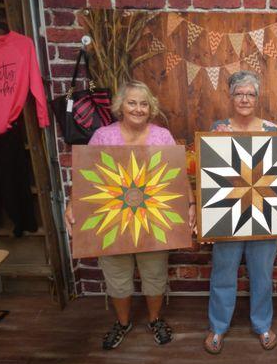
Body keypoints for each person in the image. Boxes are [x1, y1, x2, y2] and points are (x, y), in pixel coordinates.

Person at [64, 80, 196, 350]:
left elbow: (178, 177)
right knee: (117, 276)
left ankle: (155, 319)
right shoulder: (103, 136)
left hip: (154, 218)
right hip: (111, 218)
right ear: (121, 106)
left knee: (155, 273)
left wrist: (191, 205)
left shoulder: (162, 137)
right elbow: (87, 175)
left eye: (144, 104)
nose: (138, 108)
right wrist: (71, 202)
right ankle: (122, 322)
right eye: (132, 102)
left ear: (151, 108)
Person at [204, 71, 277, 354]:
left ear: (257, 98)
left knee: (262, 273)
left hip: (264, 210)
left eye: (250, 94)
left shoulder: (273, 129)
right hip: (228, 210)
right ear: (231, 97)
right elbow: (209, 172)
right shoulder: (217, 128)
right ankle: (218, 326)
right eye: (239, 93)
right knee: (223, 271)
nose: (245, 99)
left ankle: (262, 325)